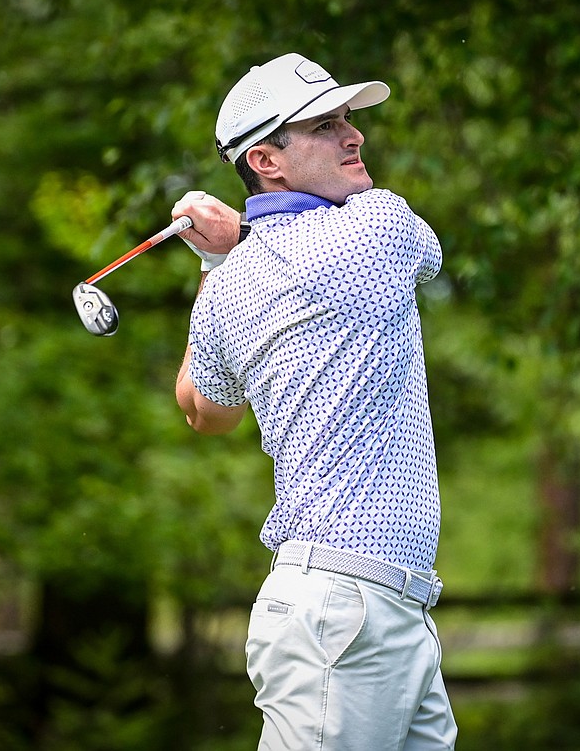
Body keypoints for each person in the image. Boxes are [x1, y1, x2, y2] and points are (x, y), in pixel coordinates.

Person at [170, 52, 456, 750]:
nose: (354, 136)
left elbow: (204, 409)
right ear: (266, 159)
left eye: (348, 120)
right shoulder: (380, 224)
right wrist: (239, 244)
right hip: (344, 609)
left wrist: (218, 258)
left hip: (383, 606)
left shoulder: (229, 288)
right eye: (325, 126)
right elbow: (432, 256)